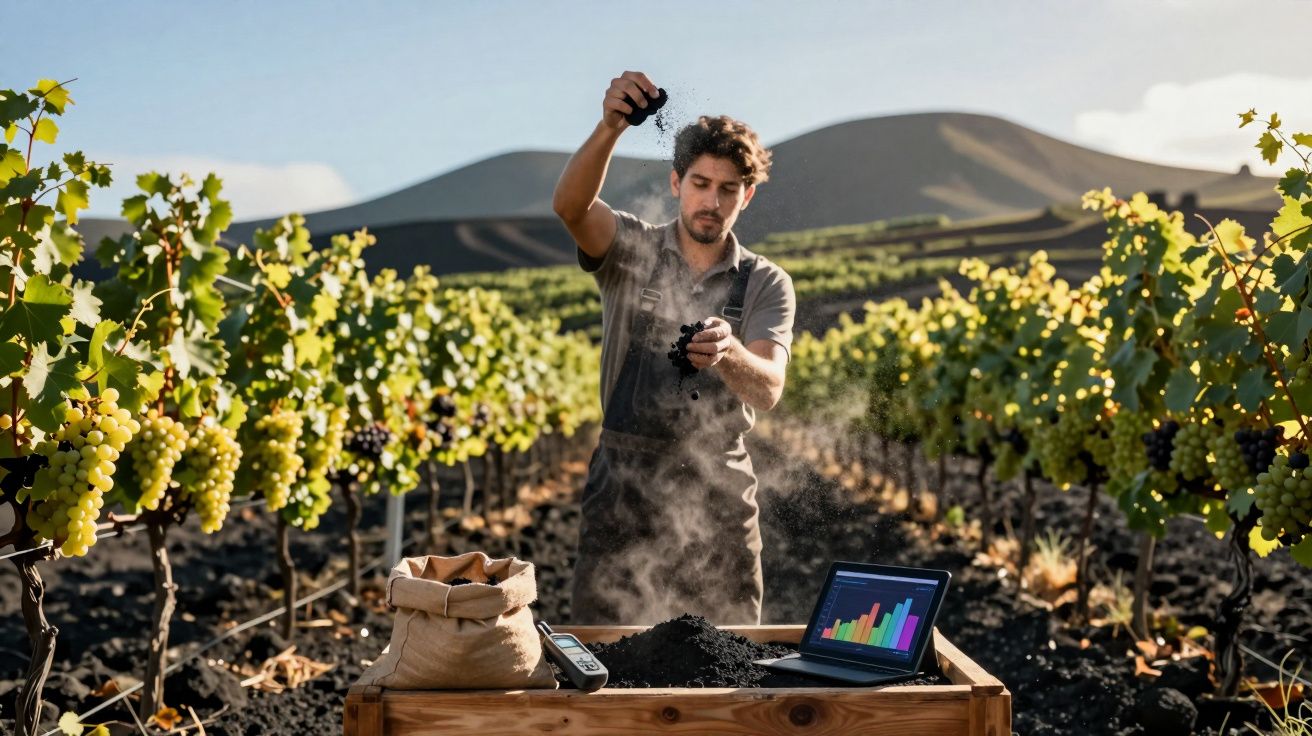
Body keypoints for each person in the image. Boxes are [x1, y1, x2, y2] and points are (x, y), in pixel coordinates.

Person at [552, 71, 796, 626]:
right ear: (676, 183)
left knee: (726, 667)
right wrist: (611, 126)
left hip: (719, 496)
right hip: (621, 490)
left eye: (728, 188)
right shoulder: (629, 248)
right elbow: (570, 206)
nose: (713, 200)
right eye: (701, 183)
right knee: (605, 662)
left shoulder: (765, 282)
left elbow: (771, 386)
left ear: (747, 196)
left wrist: (730, 353)